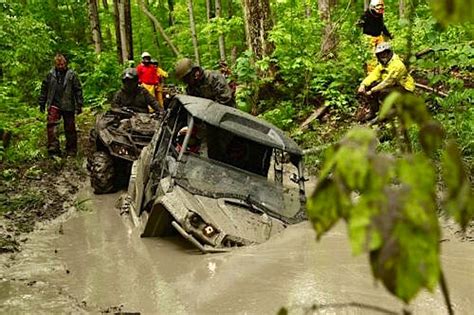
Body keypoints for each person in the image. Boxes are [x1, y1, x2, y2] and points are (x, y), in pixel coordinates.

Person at [357, 42, 415, 121]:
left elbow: (388, 82)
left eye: (385, 53)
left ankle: (389, 112)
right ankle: (374, 111)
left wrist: (372, 91)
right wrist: (363, 85)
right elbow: (373, 75)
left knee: (383, 92)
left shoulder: (397, 65)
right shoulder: (382, 65)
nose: (383, 56)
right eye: (380, 54)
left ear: (389, 53)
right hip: (392, 87)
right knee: (369, 86)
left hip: (405, 89)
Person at [39, 54, 83, 156]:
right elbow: (44, 89)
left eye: (62, 64)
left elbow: (78, 90)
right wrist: (42, 102)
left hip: (68, 104)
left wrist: (79, 104)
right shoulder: (50, 75)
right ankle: (53, 149)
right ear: (55, 64)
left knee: (70, 128)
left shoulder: (72, 75)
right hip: (54, 103)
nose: (60, 66)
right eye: (58, 65)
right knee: (51, 126)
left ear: (65, 63)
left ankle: (71, 149)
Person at [357, 0, 393, 72]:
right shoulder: (366, 15)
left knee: (384, 53)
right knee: (371, 57)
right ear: (373, 7)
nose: (380, 10)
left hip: (379, 37)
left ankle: (383, 70)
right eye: (379, 9)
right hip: (369, 38)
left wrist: (388, 34)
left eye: (381, 9)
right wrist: (360, 23)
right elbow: (359, 25)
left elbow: (382, 26)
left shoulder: (380, 15)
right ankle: (372, 74)